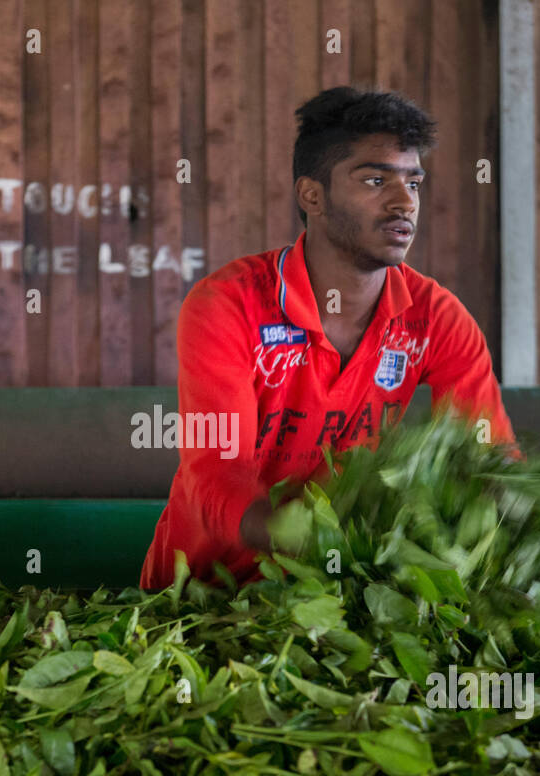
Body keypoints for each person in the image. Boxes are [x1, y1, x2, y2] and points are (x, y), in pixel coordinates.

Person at [140, 85, 518, 591]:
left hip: (342, 598)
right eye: (375, 180)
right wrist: (308, 539)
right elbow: (217, 470)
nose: (404, 202)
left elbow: (490, 455)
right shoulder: (227, 305)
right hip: (204, 594)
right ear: (312, 195)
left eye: (414, 182)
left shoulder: (437, 319)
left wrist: (504, 527)